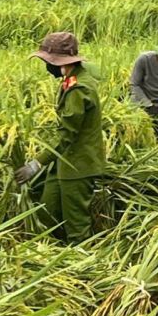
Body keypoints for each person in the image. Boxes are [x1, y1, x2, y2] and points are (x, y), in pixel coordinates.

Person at [30, 31, 106, 240]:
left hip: (78, 164)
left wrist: (36, 163)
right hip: (63, 161)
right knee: (47, 211)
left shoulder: (79, 89)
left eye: (47, 61)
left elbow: (66, 135)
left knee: (76, 223)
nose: (47, 66)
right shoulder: (73, 78)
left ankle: (83, 264)